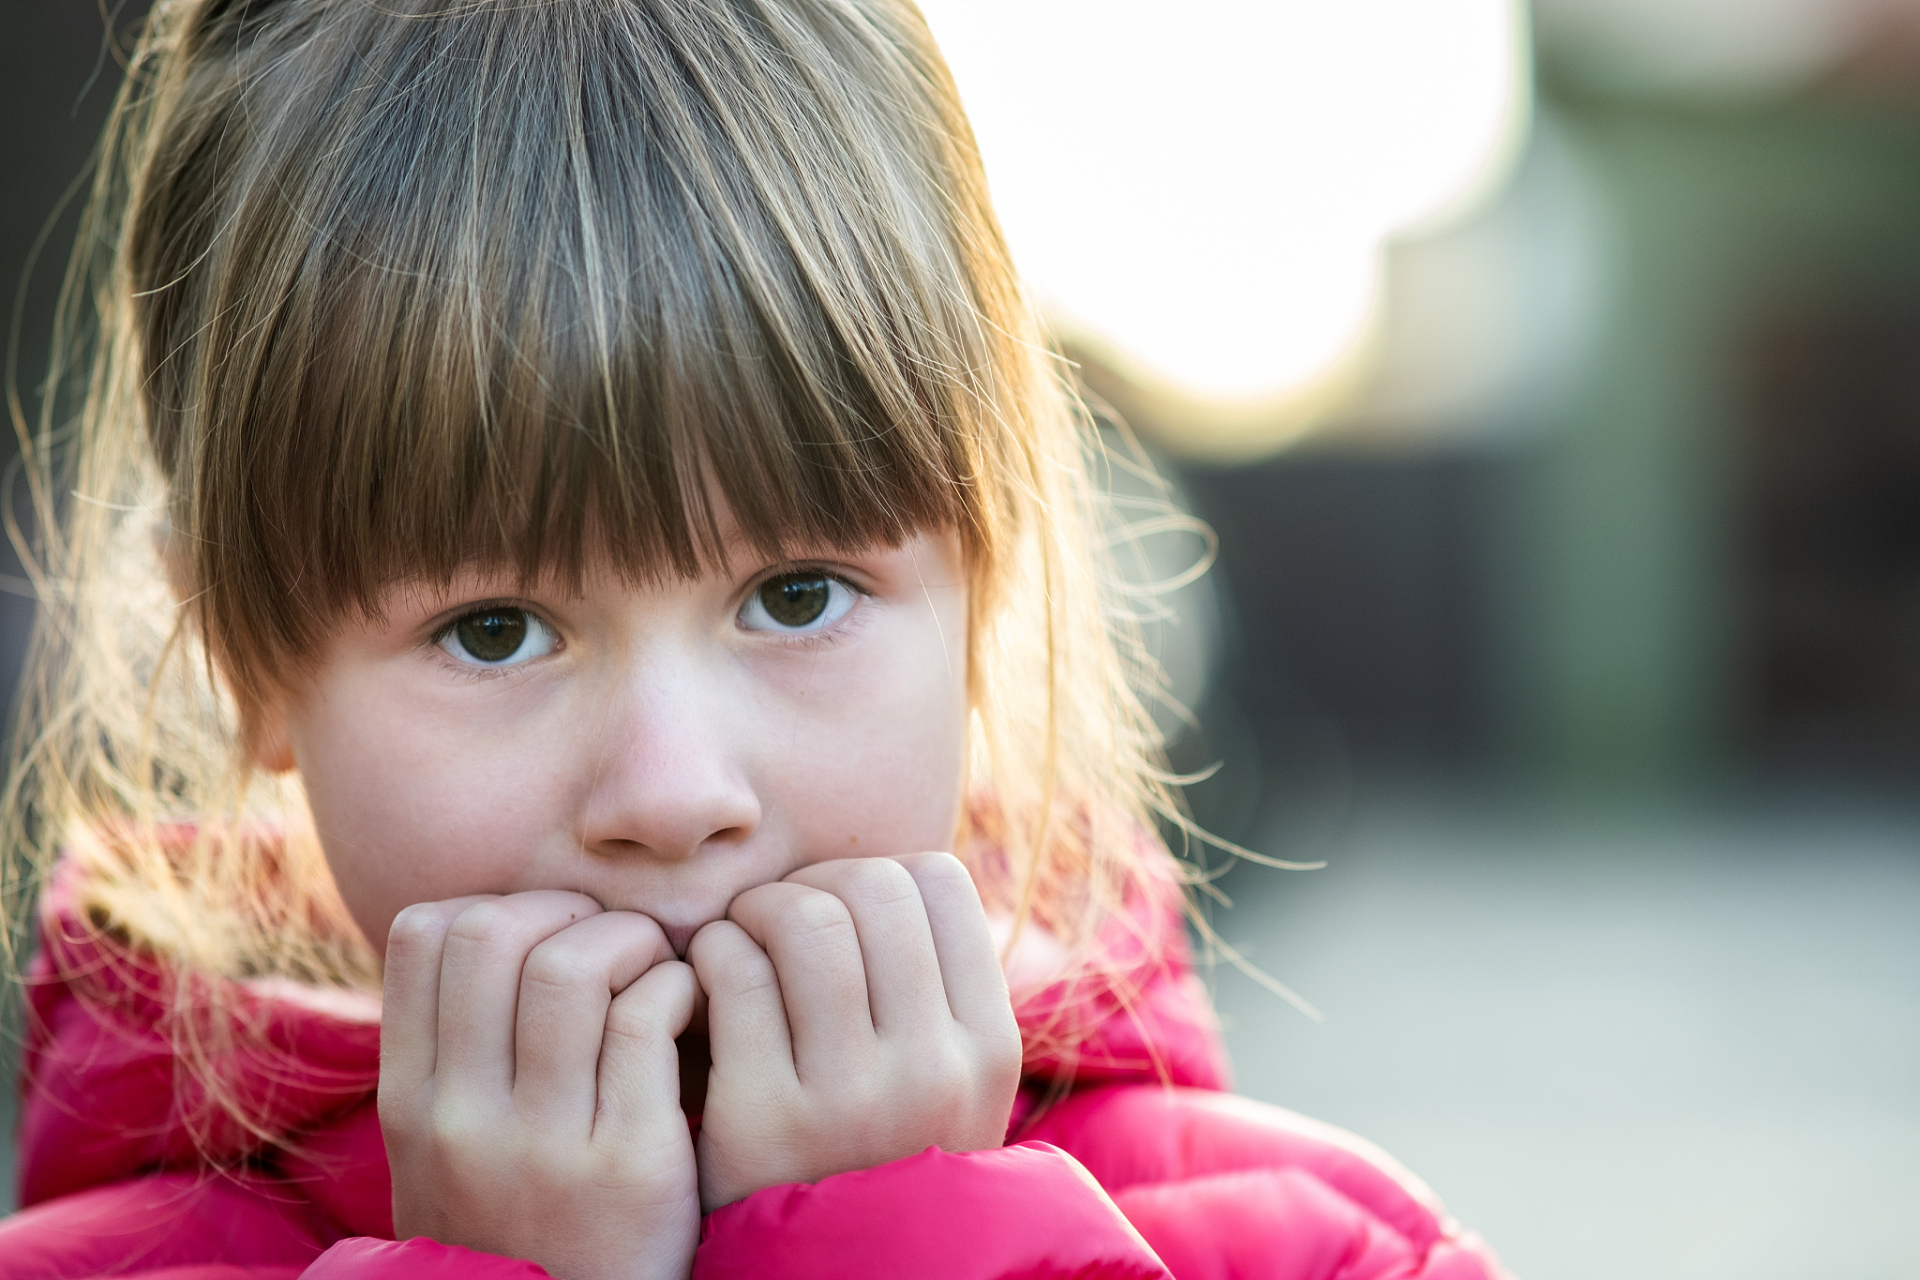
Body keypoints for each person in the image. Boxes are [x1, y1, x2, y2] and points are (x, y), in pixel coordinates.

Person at [0, 1, 1509, 1277]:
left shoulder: (1330, 1250)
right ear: (243, 659)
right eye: (495, 628)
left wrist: (890, 1238)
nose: (670, 791)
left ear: (985, 586)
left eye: (795, 595)